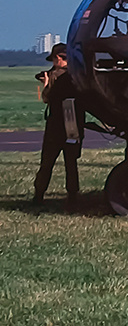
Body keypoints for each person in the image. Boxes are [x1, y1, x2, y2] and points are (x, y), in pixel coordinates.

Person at [34, 43, 83, 207]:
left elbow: (48, 98)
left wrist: (47, 85)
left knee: (47, 163)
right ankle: (73, 196)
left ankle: (39, 195)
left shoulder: (54, 76)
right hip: (74, 125)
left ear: (57, 59)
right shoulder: (79, 75)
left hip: (56, 125)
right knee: (71, 163)